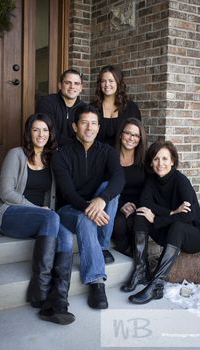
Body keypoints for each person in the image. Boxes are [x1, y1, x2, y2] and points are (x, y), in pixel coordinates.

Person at [0, 113, 75, 325]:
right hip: (10, 214)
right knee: (51, 218)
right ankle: (40, 291)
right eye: (36, 129)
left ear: (50, 133)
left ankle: (59, 299)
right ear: (29, 133)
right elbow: (6, 192)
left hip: (43, 218)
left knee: (67, 238)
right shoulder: (15, 154)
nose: (41, 134)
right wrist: (39, 210)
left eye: (45, 130)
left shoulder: (51, 159)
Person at [52, 104, 125, 309]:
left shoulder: (107, 152)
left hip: (93, 206)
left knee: (108, 189)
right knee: (86, 216)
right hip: (68, 210)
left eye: (94, 123)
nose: (89, 128)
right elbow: (68, 193)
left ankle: (102, 245)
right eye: (84, 123)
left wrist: (101, 199)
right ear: (75, 126)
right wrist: (88, 207)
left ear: (98, 128)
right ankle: (96, 282)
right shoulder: (61, 155)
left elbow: (119, 178)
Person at [121, 140, 200, 304]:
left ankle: (156, 285)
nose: (160, 163)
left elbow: (188, 217)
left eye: (164, 159)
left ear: (172, 161)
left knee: (178, 225)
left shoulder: (181, 181)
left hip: (196, 235)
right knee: (141, 214)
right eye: (156, 159)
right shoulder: (152, 180)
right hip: (170, 231)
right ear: (151, 162)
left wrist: (157, 218)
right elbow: (144, 203)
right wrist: (171, 212)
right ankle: (141, 271)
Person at [112, 118, 147, 258]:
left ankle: (140, 262)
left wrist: (137, 206)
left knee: (135, 222)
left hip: (138, 205)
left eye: (136, 135)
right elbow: (104, 186)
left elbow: (149, 189)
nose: (131, 138)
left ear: (140, 138)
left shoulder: (145, 161)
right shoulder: (110, 158)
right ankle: (127, 253)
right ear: (121, 135)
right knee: (119, 223)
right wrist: (120, 205)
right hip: (116, 204)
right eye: (128, 133)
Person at [92, 65, 141, 147]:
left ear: (118, 83)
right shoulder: (92, 108)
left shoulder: (131, 108)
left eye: (111, 81)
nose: (107, 84)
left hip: (122, 157)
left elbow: (137, 136)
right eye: (103, 81)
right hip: (96, 156)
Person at [36, 69, 85, 146]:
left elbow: (86, 135)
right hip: (50, 152)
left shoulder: (84, 108)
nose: (72, 86)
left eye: (76, 83)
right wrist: (75, 144)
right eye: (67, 83)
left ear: (81, 88)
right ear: (60, 85)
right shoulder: (46, 102)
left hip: (75, 153)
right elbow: (49, 132)